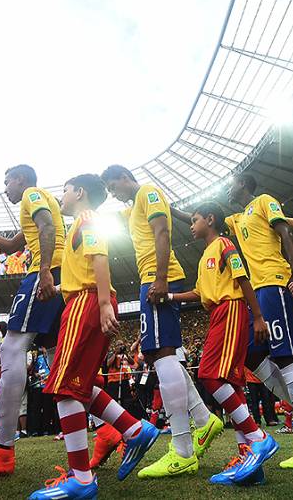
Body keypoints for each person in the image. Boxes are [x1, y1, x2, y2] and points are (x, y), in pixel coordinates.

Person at [174, 173, 293, 470]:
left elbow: (284, 231)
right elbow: (198, 220)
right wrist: (167, 209)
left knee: (285, 357)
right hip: (257, 293)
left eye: (230, 184)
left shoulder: (264, 202)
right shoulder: (235, 219)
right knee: (251, 353)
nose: (227, 189)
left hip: (274, 282)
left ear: (244, 184)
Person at [28, 174, 158, 500]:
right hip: (81, 298)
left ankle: (82, 480)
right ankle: (134, 429)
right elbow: (84, 268)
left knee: (64, 388)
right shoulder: (80, 224)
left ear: (80, 193)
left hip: (86, 302)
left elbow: (99, 259)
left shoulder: (87, 220)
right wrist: (58, 288)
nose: (62, 196)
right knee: (79, 385)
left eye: (65, 189)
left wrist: (102, 304)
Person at [101, 165, 219, 477]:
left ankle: (182, 450)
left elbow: (162, 230)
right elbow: (169, 214)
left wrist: (162, 279)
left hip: (157, 278)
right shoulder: (136, 204)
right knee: (157, 354)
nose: (114, 194)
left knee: (161, 353)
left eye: (114, 187)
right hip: (151, 277)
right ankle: (204, 420)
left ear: (126, 178)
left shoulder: (147, 191)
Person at [167, 202, 280, 485]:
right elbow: (199, 292)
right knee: (233, 384)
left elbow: (242, 278)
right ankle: (250, 466)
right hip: (218, 312)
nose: (191, 225)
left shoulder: (224, 244)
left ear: (210, 219)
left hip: (231, 310)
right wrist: (170, 297)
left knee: (208, 374)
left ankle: (258, 438)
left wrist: (257, 317)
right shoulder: (207, 253)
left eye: (194, 220)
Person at [0, 165, 66, 477]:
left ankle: (3, 448)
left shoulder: (32, 195)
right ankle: (117, 427)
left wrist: (45, 270)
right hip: (60, 271)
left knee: (11, 351)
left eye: (7, 181)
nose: (5, 187)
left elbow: (47, 226)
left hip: (44, 273)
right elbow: (11, 247)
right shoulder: (41, 200)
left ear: (21, 180)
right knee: (56, 357)